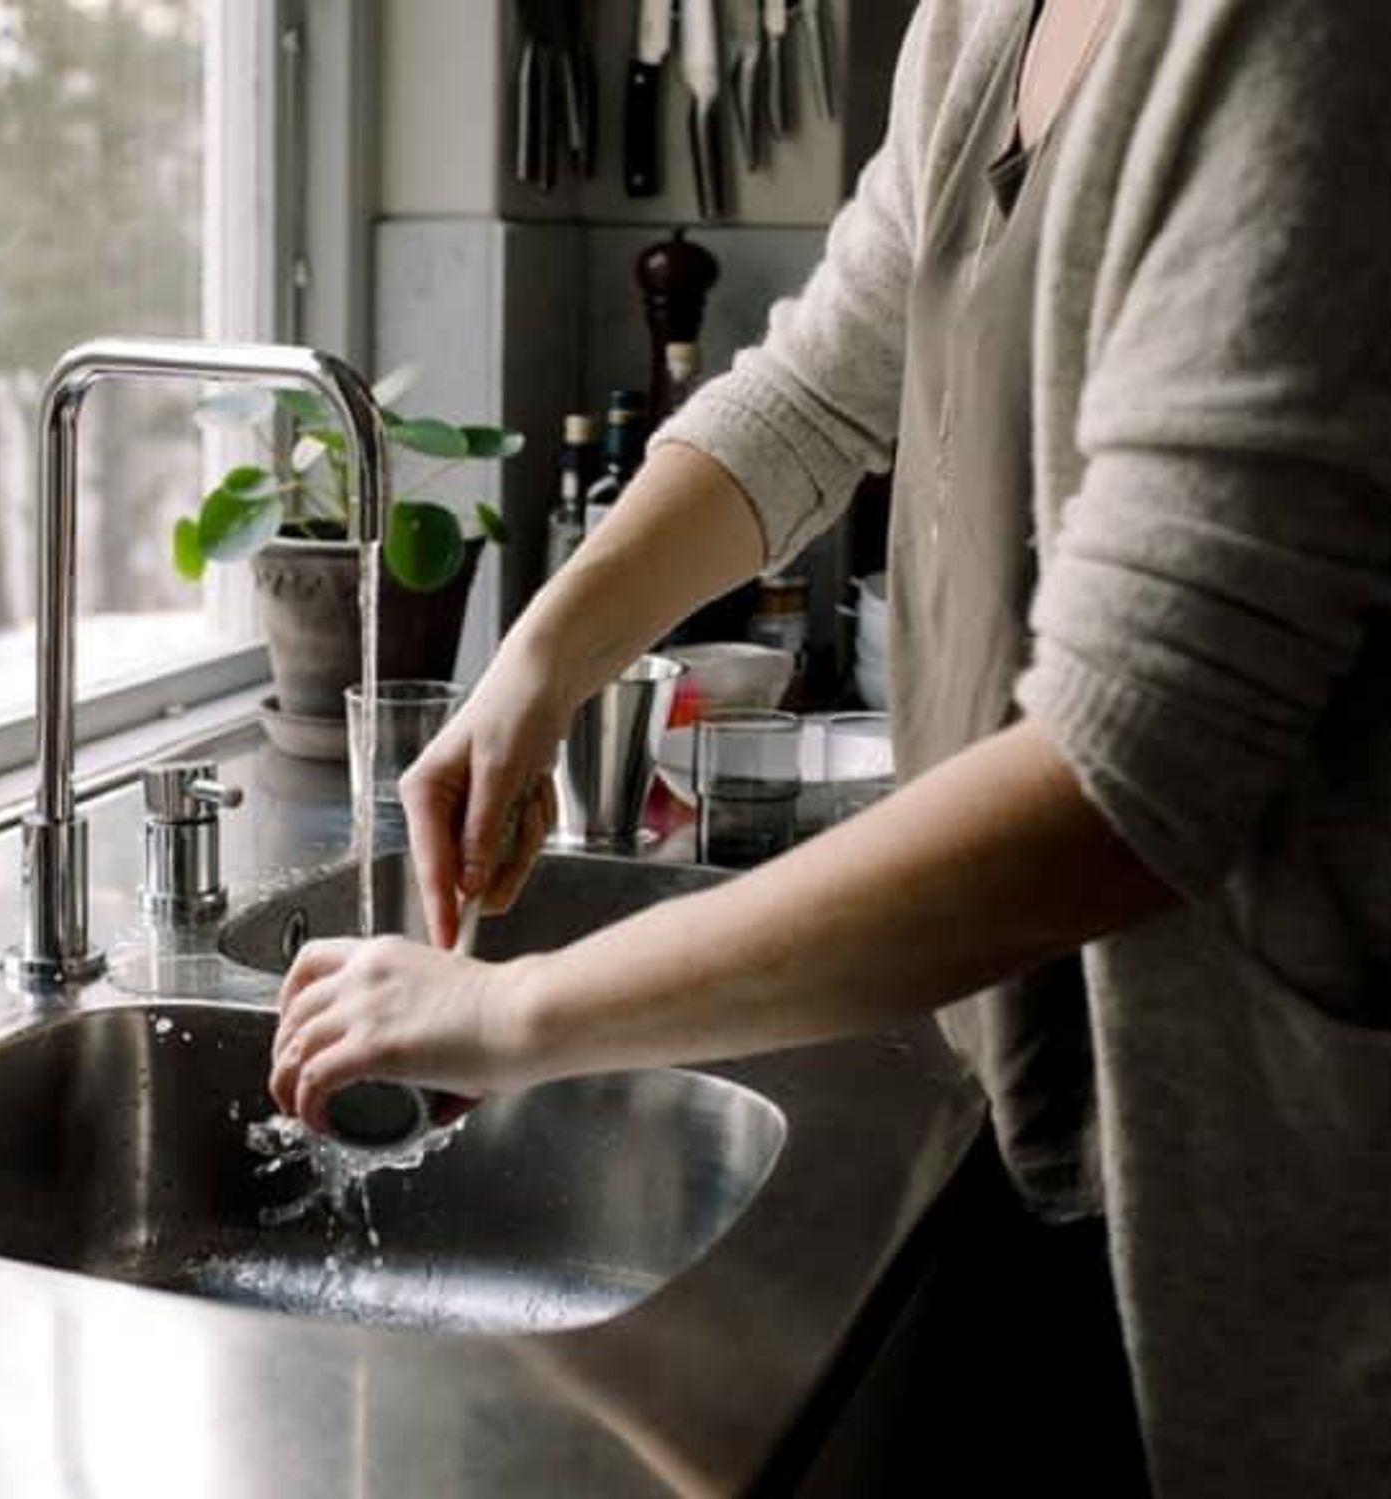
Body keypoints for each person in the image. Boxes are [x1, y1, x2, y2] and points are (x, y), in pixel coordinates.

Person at [266, 1, 1391, 1493]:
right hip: (1039, 1108)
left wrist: (519, 1010)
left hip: (1295, 1172)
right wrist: (542, 659)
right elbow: (814, 392)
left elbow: (1129, 774)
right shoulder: (983, 21)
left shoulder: (1299, 42)